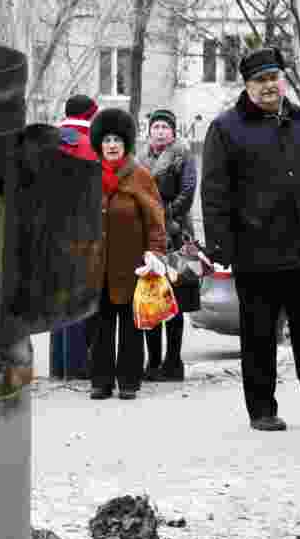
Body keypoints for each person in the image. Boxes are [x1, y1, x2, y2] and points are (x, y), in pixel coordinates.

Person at [201, 47, 300, 431]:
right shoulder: (226, 128)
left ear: (282, 80)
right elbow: (214, 191)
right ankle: (262, 410)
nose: (268, 86)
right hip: (256, 252)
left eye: (273, 77)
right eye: (260, 80)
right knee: (259, 336)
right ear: (247, 85)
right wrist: (221, 244)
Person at [87, 107, 167, 401]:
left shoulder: (139, 176)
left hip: (133, 265)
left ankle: (129, 381)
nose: (111, 145)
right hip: (98, 266)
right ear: (99, 143)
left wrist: (155, 253)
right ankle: (100, 381)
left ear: (125, 144)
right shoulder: (90, 175)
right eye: (106, 140)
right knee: (100, 326)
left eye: (117, 140)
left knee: (132, 327)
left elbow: (156, 220)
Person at [137, 108, 198, 382]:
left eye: (165, 127)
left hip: (176, 233)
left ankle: (174, 362)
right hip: (148, 237)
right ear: (149, 131)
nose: (160, 131)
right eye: (156, 127)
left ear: (173, 132)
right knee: (152, 297)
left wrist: (165, 215)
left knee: (175, 299)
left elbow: (187, 193)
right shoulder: (140, 159)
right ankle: (153, 362)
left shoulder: (182, 155)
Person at [50, 94, 99, 381]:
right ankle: (78, 366)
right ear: (91, 115)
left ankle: (58, 366)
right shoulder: (92, 144)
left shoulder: (48, 140)